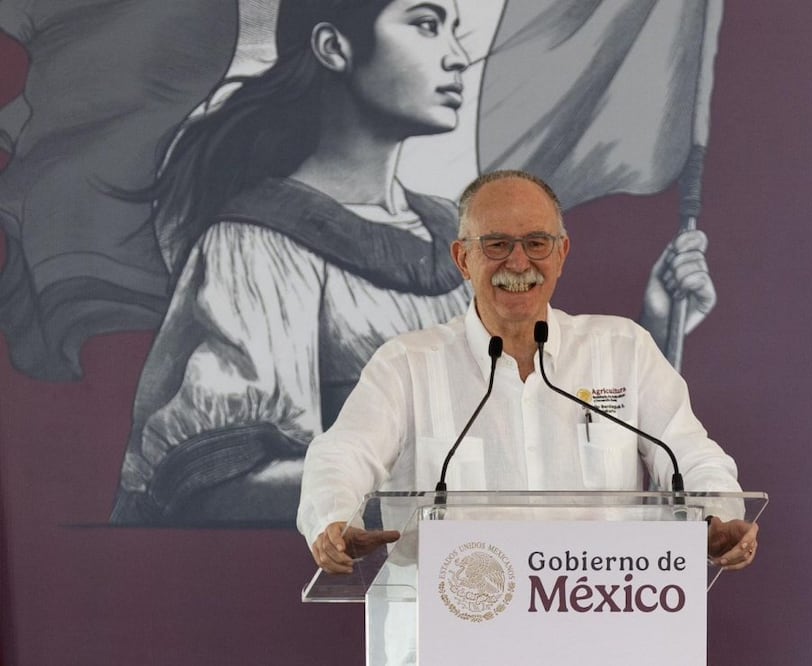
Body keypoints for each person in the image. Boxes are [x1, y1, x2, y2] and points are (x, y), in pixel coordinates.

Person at [111, 0, 718, 525]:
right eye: (427, 26)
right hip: (343, 596)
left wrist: (655, 331)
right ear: (334, 46)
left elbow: (530, 423)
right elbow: (217, 484)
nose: (457, 57)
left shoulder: (455, 234)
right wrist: (440, 490)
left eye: (454, 28)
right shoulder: (259, 243)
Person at [298, 170, 760, 577]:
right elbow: (341, 457)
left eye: (536, 243)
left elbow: (690, 455)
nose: (518, 263)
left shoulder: (624, 350)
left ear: (560, 254)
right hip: (451, 637)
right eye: (497, 244)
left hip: (601, 633)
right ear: (463, 259)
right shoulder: (407, 364)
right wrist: (332, 521)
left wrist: (715, 514)